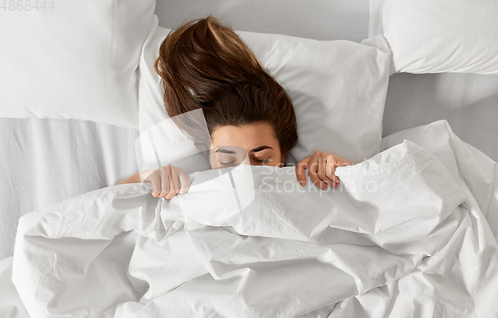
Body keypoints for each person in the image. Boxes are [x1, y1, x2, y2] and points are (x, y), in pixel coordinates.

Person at [117, 16, 353, 198]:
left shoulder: (311, 186)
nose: (246, 176)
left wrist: (349, 172)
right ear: (209, 159)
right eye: (229, 162)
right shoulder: (187, 192)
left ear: (283, 156)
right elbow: (88, 214)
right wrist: (144, 181)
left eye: (261, 159)